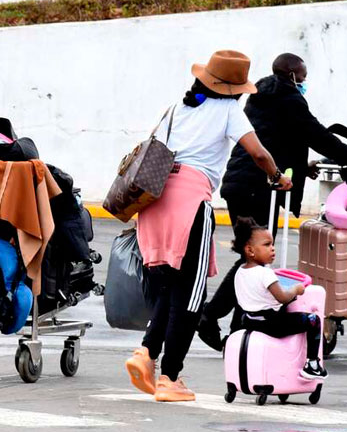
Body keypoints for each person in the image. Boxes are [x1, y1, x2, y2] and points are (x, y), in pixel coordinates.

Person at [124, 50, 290, 403]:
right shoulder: (230, 110)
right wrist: (277, 177)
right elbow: (258, 153)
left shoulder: (177, 109)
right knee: (191, 294)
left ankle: (146, 354)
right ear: (234, 90)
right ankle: (169, 377)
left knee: (170, 286)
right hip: (188, 205)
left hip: (154, 204)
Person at [220, 53, 347, 229]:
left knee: (248, 249)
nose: (304, 81)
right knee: (258, 251)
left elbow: (275, 141)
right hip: (258, 187)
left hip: (237, 183)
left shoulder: (259, 96)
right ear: (291, 74)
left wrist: (302, 168)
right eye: (303, 76)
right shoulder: (288, 99)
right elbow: (319, 138)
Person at [231, 217, 327, 380]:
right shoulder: (266, 273)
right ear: (250, 250)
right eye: (267, 245)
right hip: (271, 324)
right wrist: (296, 289)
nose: (272, 249)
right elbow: (282, 297)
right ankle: (312, 364)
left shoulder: (240, 271)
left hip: (248, 320)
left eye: (272, 244)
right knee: (313, 320)